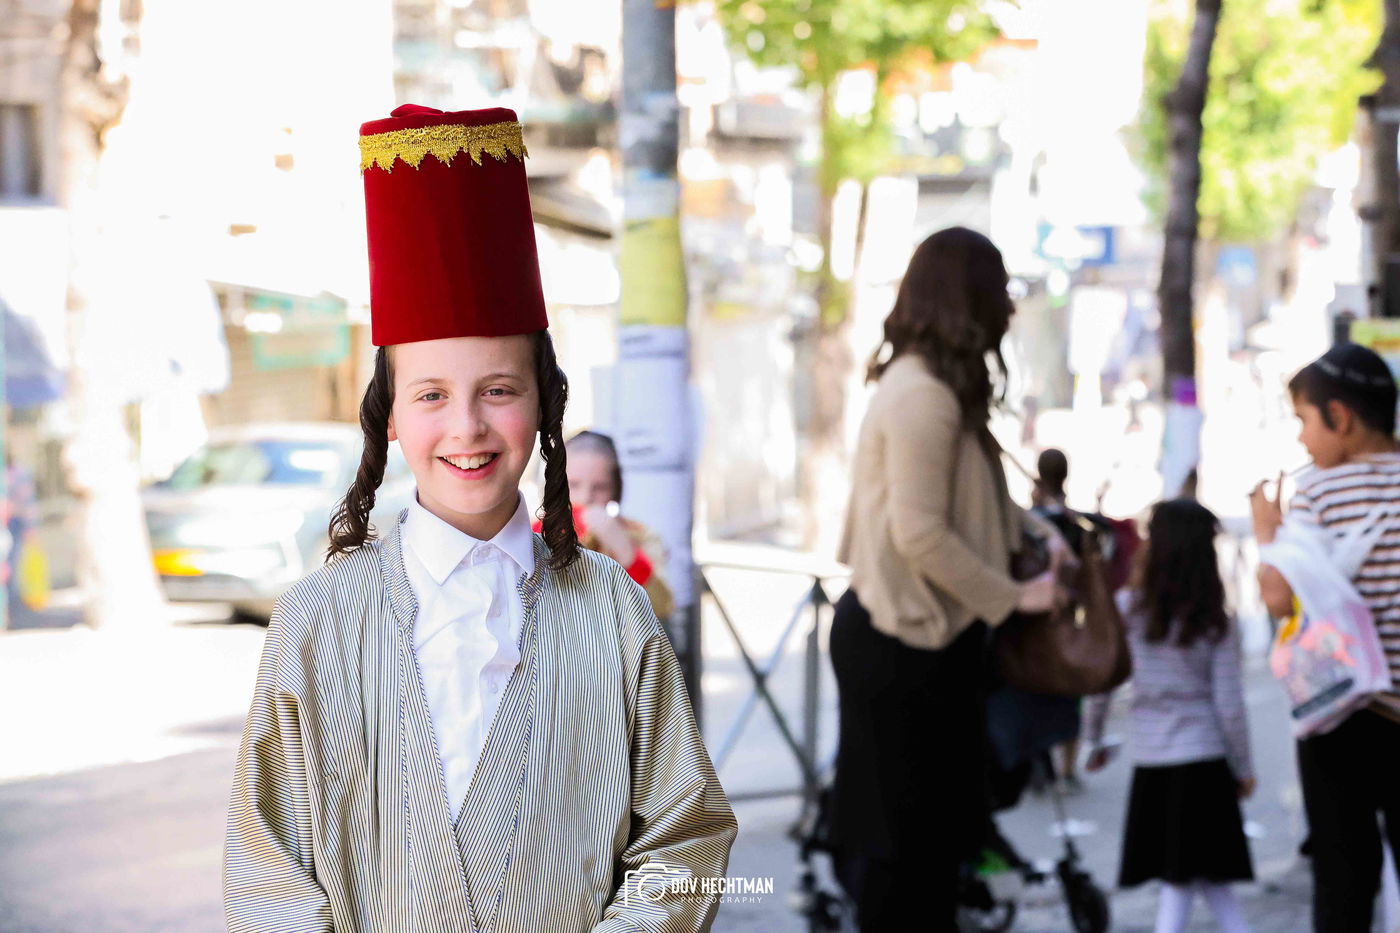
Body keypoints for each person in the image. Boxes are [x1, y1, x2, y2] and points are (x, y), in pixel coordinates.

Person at [223, 104, 736, 933]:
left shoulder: (612, 612)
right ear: (390, 415)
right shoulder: (314, 624)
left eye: (498, 389)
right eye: (430, 395)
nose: (465, 426)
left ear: (543, 404)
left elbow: (685, 838)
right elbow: (267, 868)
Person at [830, 227, 1065, 931]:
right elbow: (922, 531)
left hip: (923, 644)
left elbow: (964, 504)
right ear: (967, 298)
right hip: (902, 645)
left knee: (928, 857)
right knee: (905, 861)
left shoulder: (936, 390)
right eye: (998, 291)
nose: (1010, 310)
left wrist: (1038, 531)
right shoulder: (921, 396)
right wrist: (1017, 595)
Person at [1251, 342, 1400, 933]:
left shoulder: (1318, 491)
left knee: (1344, 880)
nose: (1302, 441)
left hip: (1341, 716)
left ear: (1339, 417)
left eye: (1304, 421)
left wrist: (1269, 536)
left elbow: (1277, 596)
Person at [1085, 498, 1254, 933]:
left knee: (1182, 883)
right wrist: (1243, 767)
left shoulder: (1128, 609)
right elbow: (1229, 705)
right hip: (1206, 759)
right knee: (1205, 881)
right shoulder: (1215, 619)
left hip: (1155, 760)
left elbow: (1104, 681)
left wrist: (1095, 738)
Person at [530, 429, 674, 619]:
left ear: (615, 490)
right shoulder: (532, 533)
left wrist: (625, 552)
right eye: (572, 485)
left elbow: (661, 607)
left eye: (600, 487)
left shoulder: (639, 536)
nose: (585, 497)